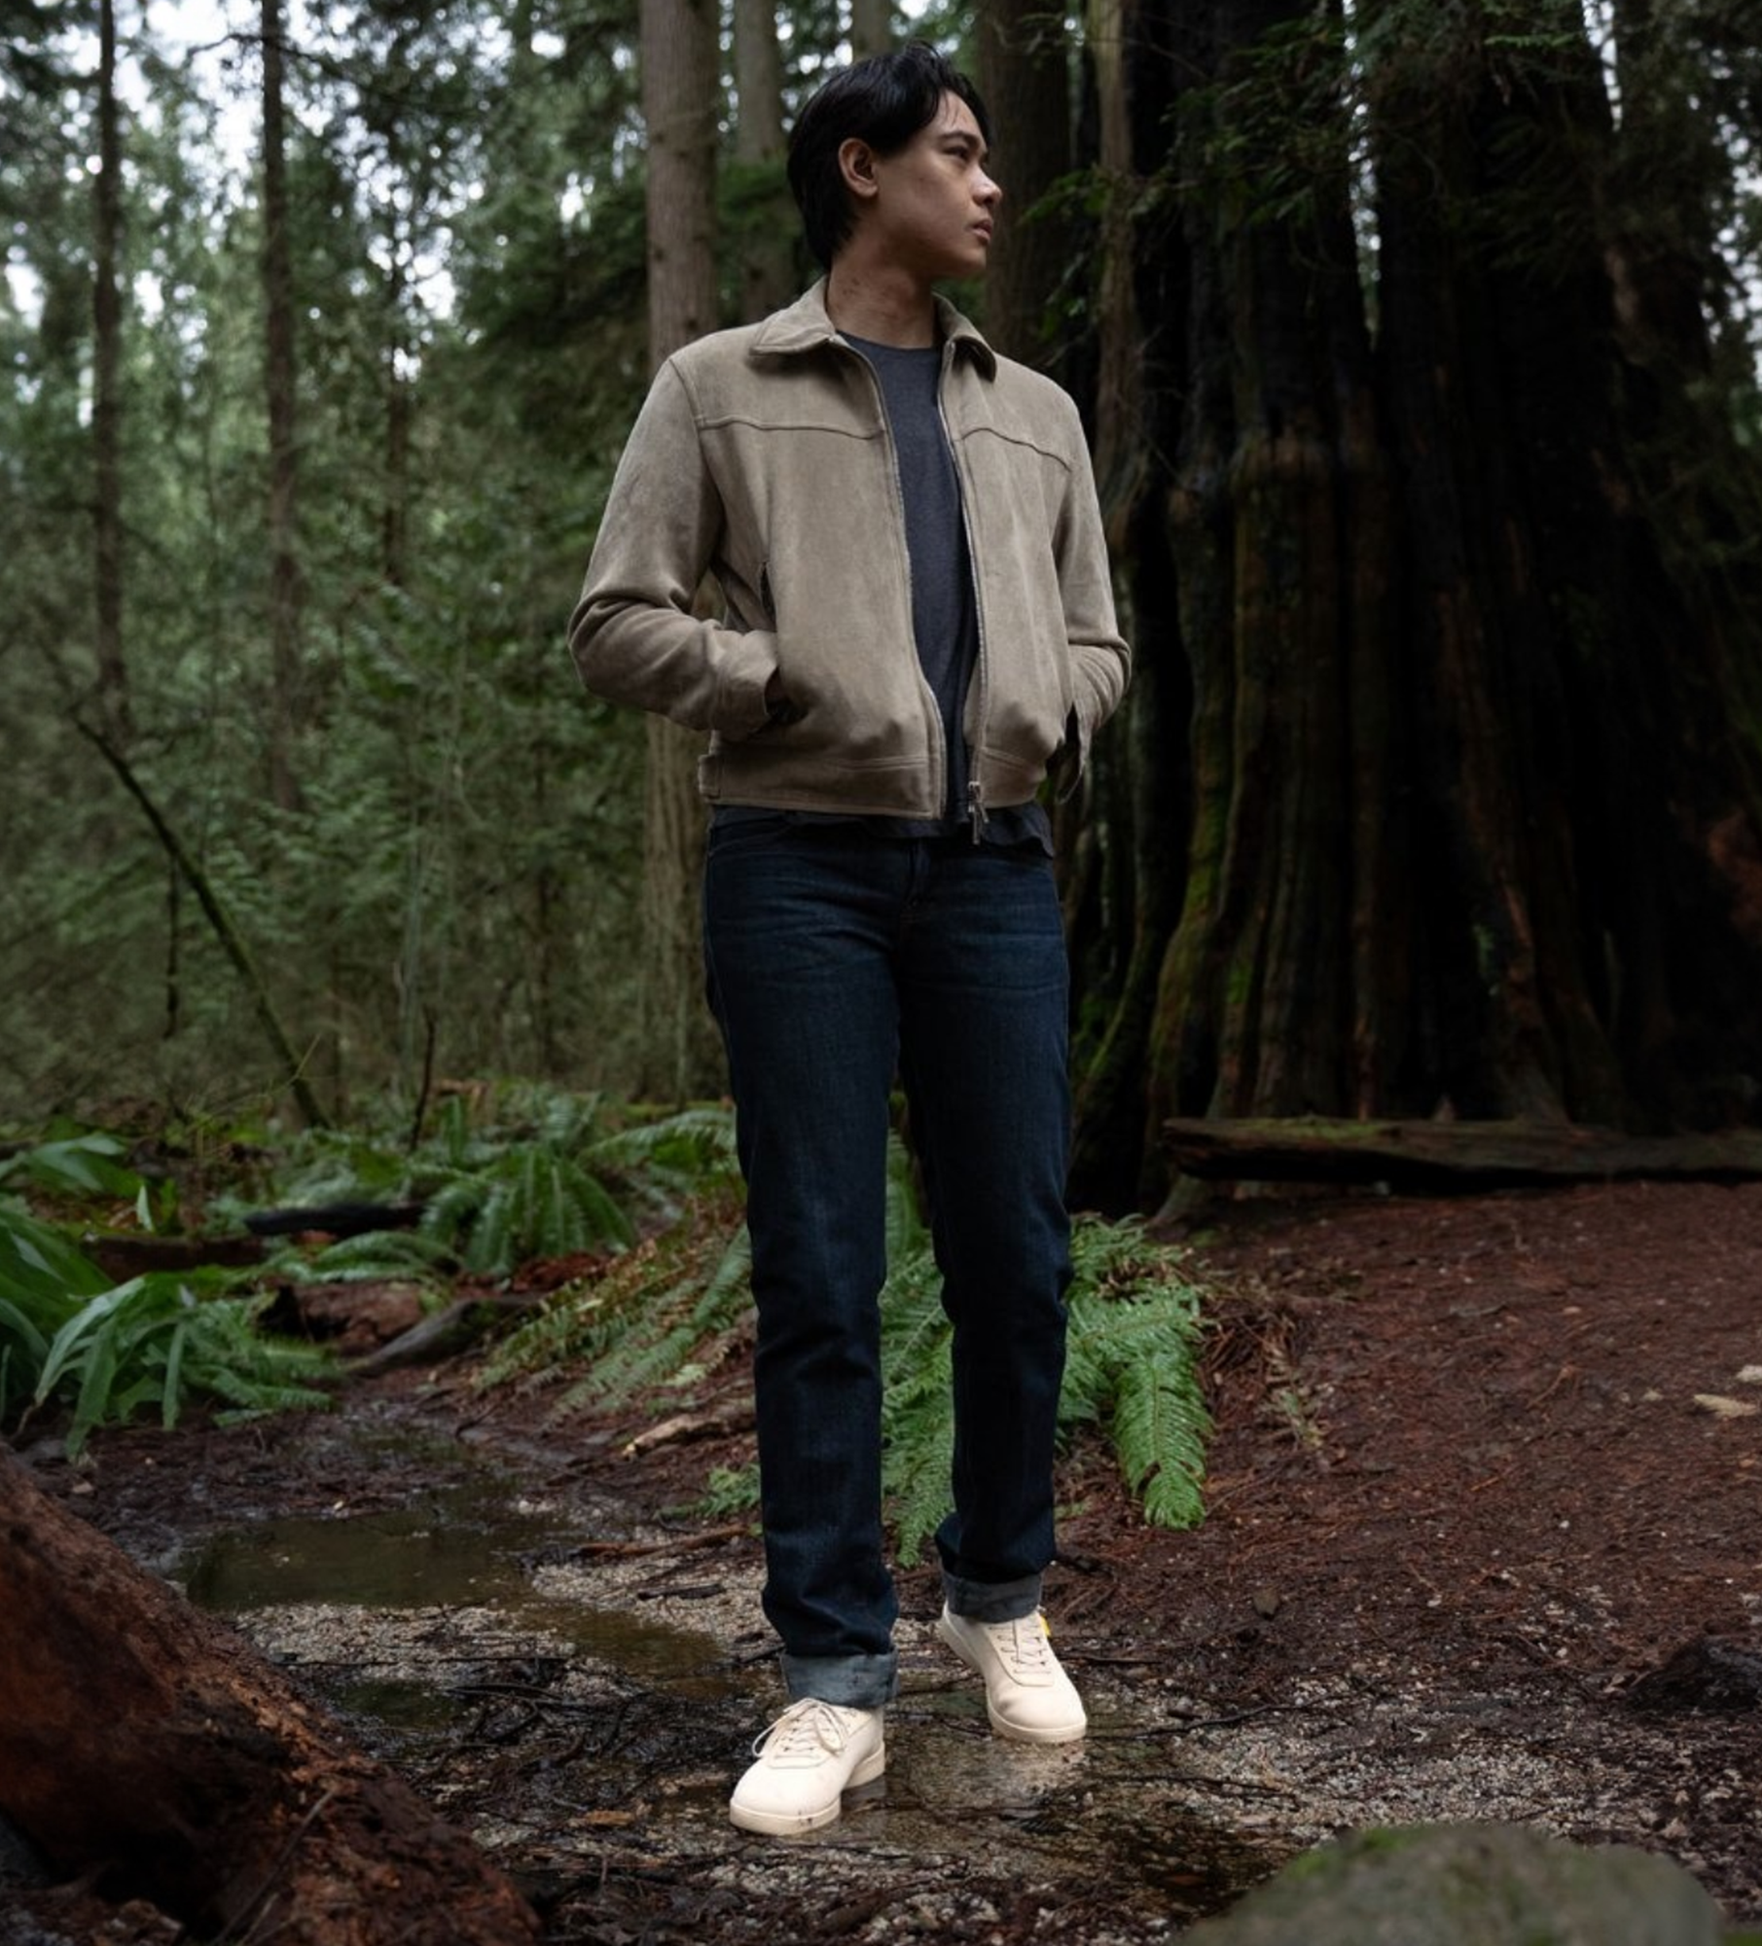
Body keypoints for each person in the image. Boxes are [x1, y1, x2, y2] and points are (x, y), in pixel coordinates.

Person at [569, 40, 1129, 1838]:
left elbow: (1100, 641)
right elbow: (614, 620)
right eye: (954, 155)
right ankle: (830, 1676)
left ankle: (994, 1595)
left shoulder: (1033, 411)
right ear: (856, 167)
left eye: (985, 155)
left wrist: (1050, 711)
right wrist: (774, 676)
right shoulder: (717, 387)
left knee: (1017, 1259)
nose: (987, 183)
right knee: (819, 1274)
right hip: (795, 867)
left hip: (990, 872)